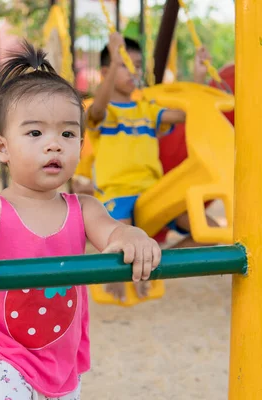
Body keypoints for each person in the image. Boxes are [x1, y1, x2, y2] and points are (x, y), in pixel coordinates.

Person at [0, 41, 162, 400]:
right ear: (2, 147)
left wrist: (131, 235)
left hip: (59, 357)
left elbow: (114, 232)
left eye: (68, 134)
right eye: (35, 133)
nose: (54, 144)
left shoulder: (85, 209)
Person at [85, 33, 216, 300]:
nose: (134, 70)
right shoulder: (102, 112)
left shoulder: (148, 109)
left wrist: (199, 77)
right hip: (117, 194)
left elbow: (187, 113)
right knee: (118, 248)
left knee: (208, 230)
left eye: (137, 64)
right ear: (106, 72)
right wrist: (112, 58)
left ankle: (154, 261)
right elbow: (96, 111)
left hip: (153, 192)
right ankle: (122, 276)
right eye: (124, 64)